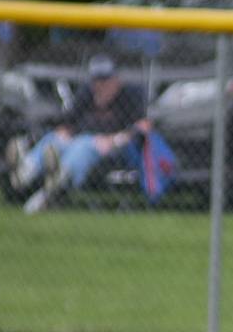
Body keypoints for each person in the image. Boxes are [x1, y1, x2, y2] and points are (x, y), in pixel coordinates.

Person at [11, 54, 149, 214]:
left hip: (114, 147)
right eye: (96, 80)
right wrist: (64, 132)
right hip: (80, 141)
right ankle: (27, 171)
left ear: (116, 79)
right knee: (56, 138)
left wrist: (114, 140)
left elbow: (143, 127)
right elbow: (69, 121)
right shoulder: (87, 93)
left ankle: (58, 180)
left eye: (105, 80)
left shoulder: (131, 95)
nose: (100, 85)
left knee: (84, 144)